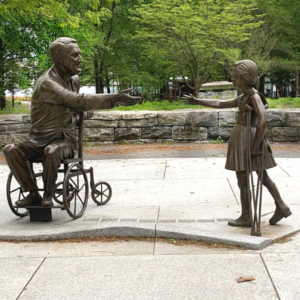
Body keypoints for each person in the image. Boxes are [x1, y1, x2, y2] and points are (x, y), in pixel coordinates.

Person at [4, 37, 140, 207]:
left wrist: (82, 108)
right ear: (59, 59)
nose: (80, 59)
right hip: (37, 141)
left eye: (79, 55)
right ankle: (32, 193)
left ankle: (48, 195)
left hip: (63, 141)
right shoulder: (47, 83)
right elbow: (75, 100)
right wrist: (113, 99)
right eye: (75, 55)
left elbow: (73, 103)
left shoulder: (74, 80)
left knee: (52, 151)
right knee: (10, 149)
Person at [184, 60, 292, 226]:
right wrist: (198, 101)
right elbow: (220, 103)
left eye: (234, 77)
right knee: (262, 175)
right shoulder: (244, 97)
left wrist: (255, 146)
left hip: (248, 139)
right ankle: (281, 207)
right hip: (246, 137)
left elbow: (263, 120)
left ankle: (247, 217)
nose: (232, 80)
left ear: (243, 78)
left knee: (244, 179)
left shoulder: (254, 96)